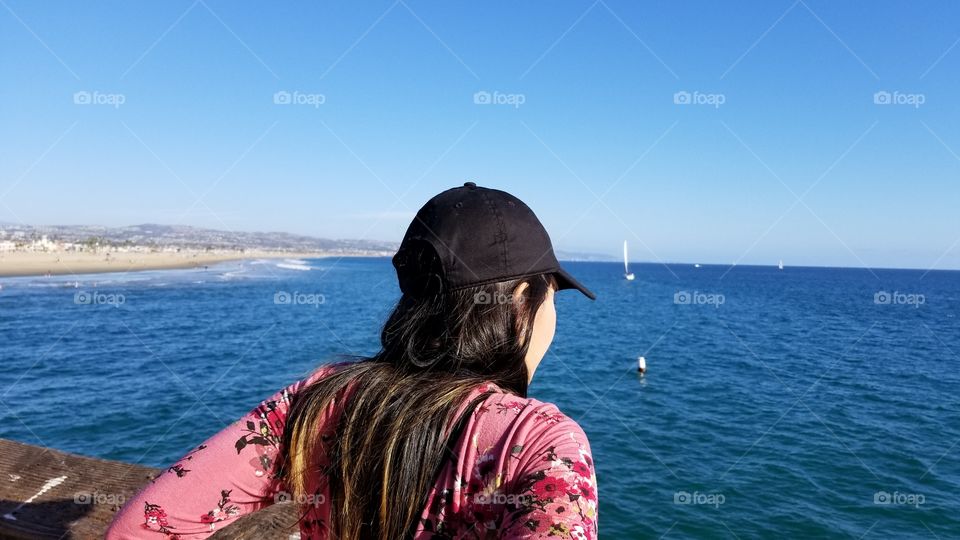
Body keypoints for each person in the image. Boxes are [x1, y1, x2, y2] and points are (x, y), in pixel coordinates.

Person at [106, 182, 598, 539]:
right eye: (552, 296)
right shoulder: (543, 442)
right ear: (521, 300)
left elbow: (142, 526)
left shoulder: (319, 397)